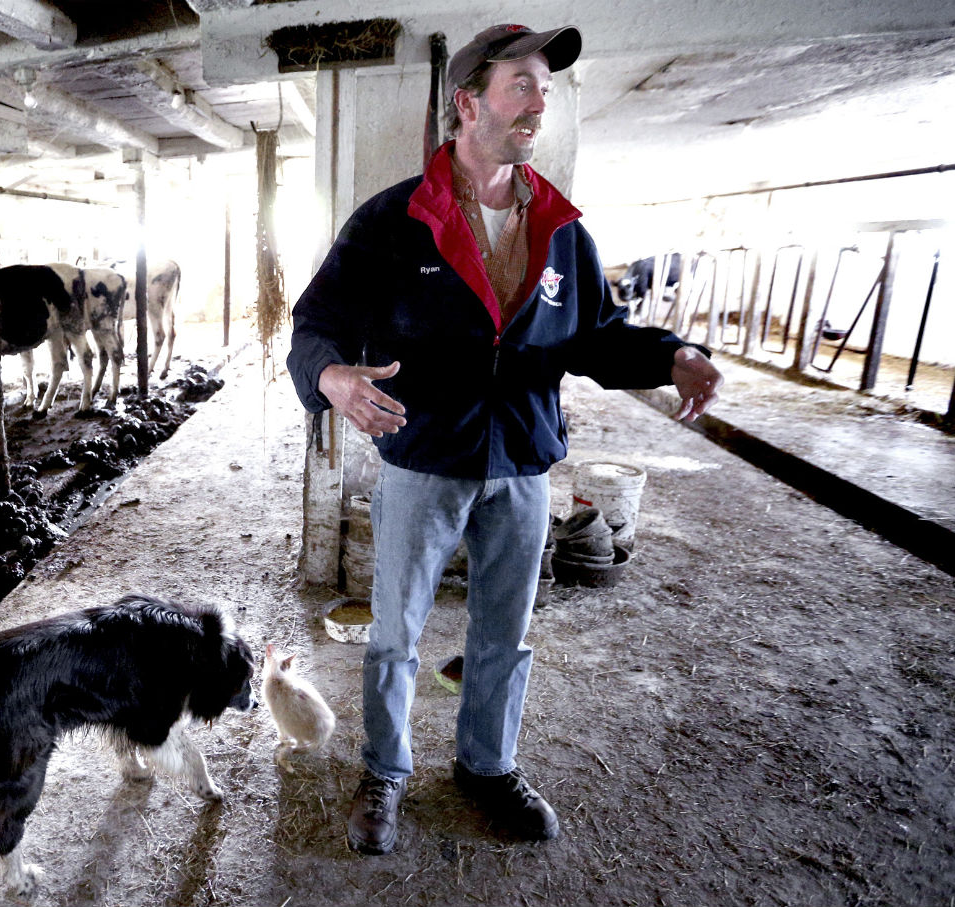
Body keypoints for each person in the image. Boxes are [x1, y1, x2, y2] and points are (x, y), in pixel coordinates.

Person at [286, 23, 724, 856]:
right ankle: (385, 768)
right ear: (468, 103)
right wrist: (331, 377)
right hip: (424, 457)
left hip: (521, 461)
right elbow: (315, 325)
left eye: (543, 90)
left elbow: (597, 336)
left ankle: (485, 766)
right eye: (520, 85)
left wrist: (672, 355)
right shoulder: (393, 220)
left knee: (504, 631)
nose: (537, 105)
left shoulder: (560, 228)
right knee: (395, 631)